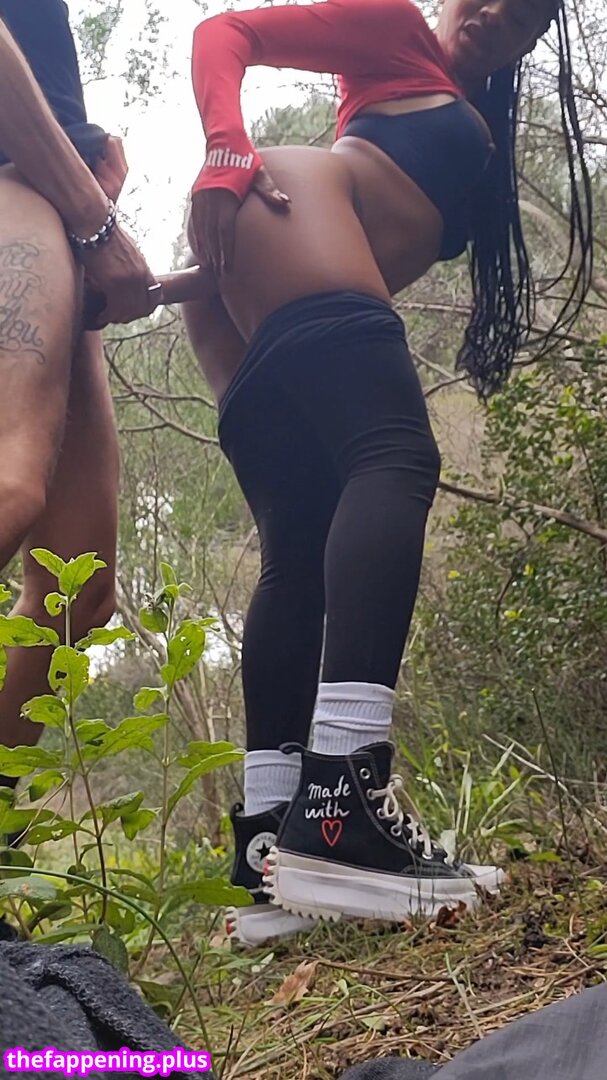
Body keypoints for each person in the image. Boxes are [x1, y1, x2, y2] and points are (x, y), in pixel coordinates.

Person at [180, 0, 593, 945]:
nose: (496, 13)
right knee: (395, 456)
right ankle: (344, 804)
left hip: (245, 277)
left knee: (296, 553)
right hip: (275, 210)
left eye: (526, 16)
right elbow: (223, 35)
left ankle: (271, 852)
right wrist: (225, 150)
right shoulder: (394, 32)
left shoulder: (462, 109)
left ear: (534, 41)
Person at [0, 0, 161, 801]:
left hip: (50, 200)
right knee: (11, 484)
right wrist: (97, 223)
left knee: (78, 587)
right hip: (20, 184)